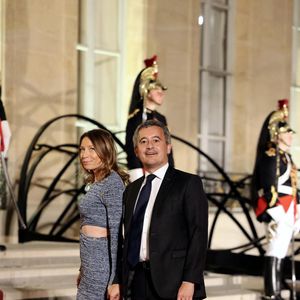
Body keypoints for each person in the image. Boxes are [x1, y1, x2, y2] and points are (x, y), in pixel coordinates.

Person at [110, 119, 208, 300]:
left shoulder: (188, 184)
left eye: (156, 140)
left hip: (175, 283)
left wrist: (190, 281)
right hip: (135, 281)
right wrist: (117, 279)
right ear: (136, 151)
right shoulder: (131, 190)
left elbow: (198, 235)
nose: (150, 146)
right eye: (143, 141)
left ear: (168, 147)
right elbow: (125, 239)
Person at [251, 99, 299, 300]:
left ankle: (276, 290)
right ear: (277, 134)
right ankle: (272, 293)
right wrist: (275, 209)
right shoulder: (271, 155)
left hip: (289, 207)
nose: (290, 136)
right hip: (277, 207)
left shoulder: (286, 157)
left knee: (281, 251)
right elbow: (268, 185)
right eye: (287, 132)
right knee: (275, 249)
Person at [77, 128, 129, 300]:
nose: (85, 154)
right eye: (82, 149)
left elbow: (117, 235)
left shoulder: (112, 182)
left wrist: (116, 280)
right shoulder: (96, 182)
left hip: (102, 267)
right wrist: (82, 269)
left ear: (105, 149)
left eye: (92, 149)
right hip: (89, 265)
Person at [125, 55, 174, 182]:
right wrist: (136, 174)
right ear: (146, 90)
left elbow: (168, 149)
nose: (161, 92)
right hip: (142, 172)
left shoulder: (161, 118)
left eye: (162, 89)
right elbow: (132, 148)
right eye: (156, 88)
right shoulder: (136, 117)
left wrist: (171, 173)